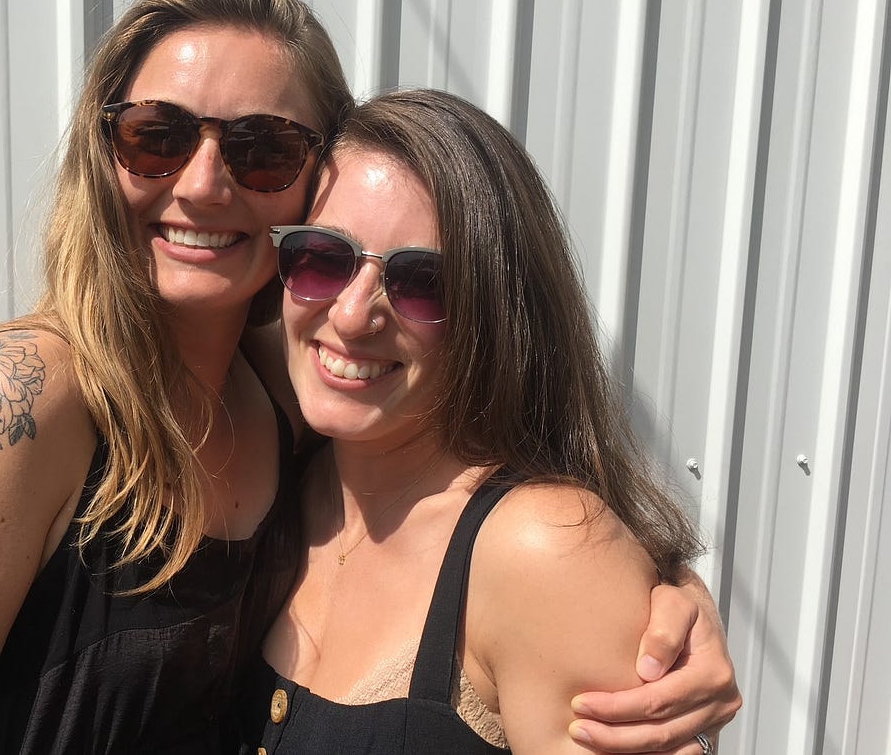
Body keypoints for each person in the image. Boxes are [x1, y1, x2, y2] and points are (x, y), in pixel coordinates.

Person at [0, 0, 737, 755]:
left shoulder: (291, 409)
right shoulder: (12, 404)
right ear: (103, 152)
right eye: (157, 136)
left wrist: (652, 598)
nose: (202, 184)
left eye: (261, 150)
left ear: (309, 179)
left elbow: (521, 545)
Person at [236, 88, 737, 754]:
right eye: (322, 257)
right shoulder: (275, 460)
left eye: (423, 282)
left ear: (496, 314)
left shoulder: (542, 549)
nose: (353, 316)